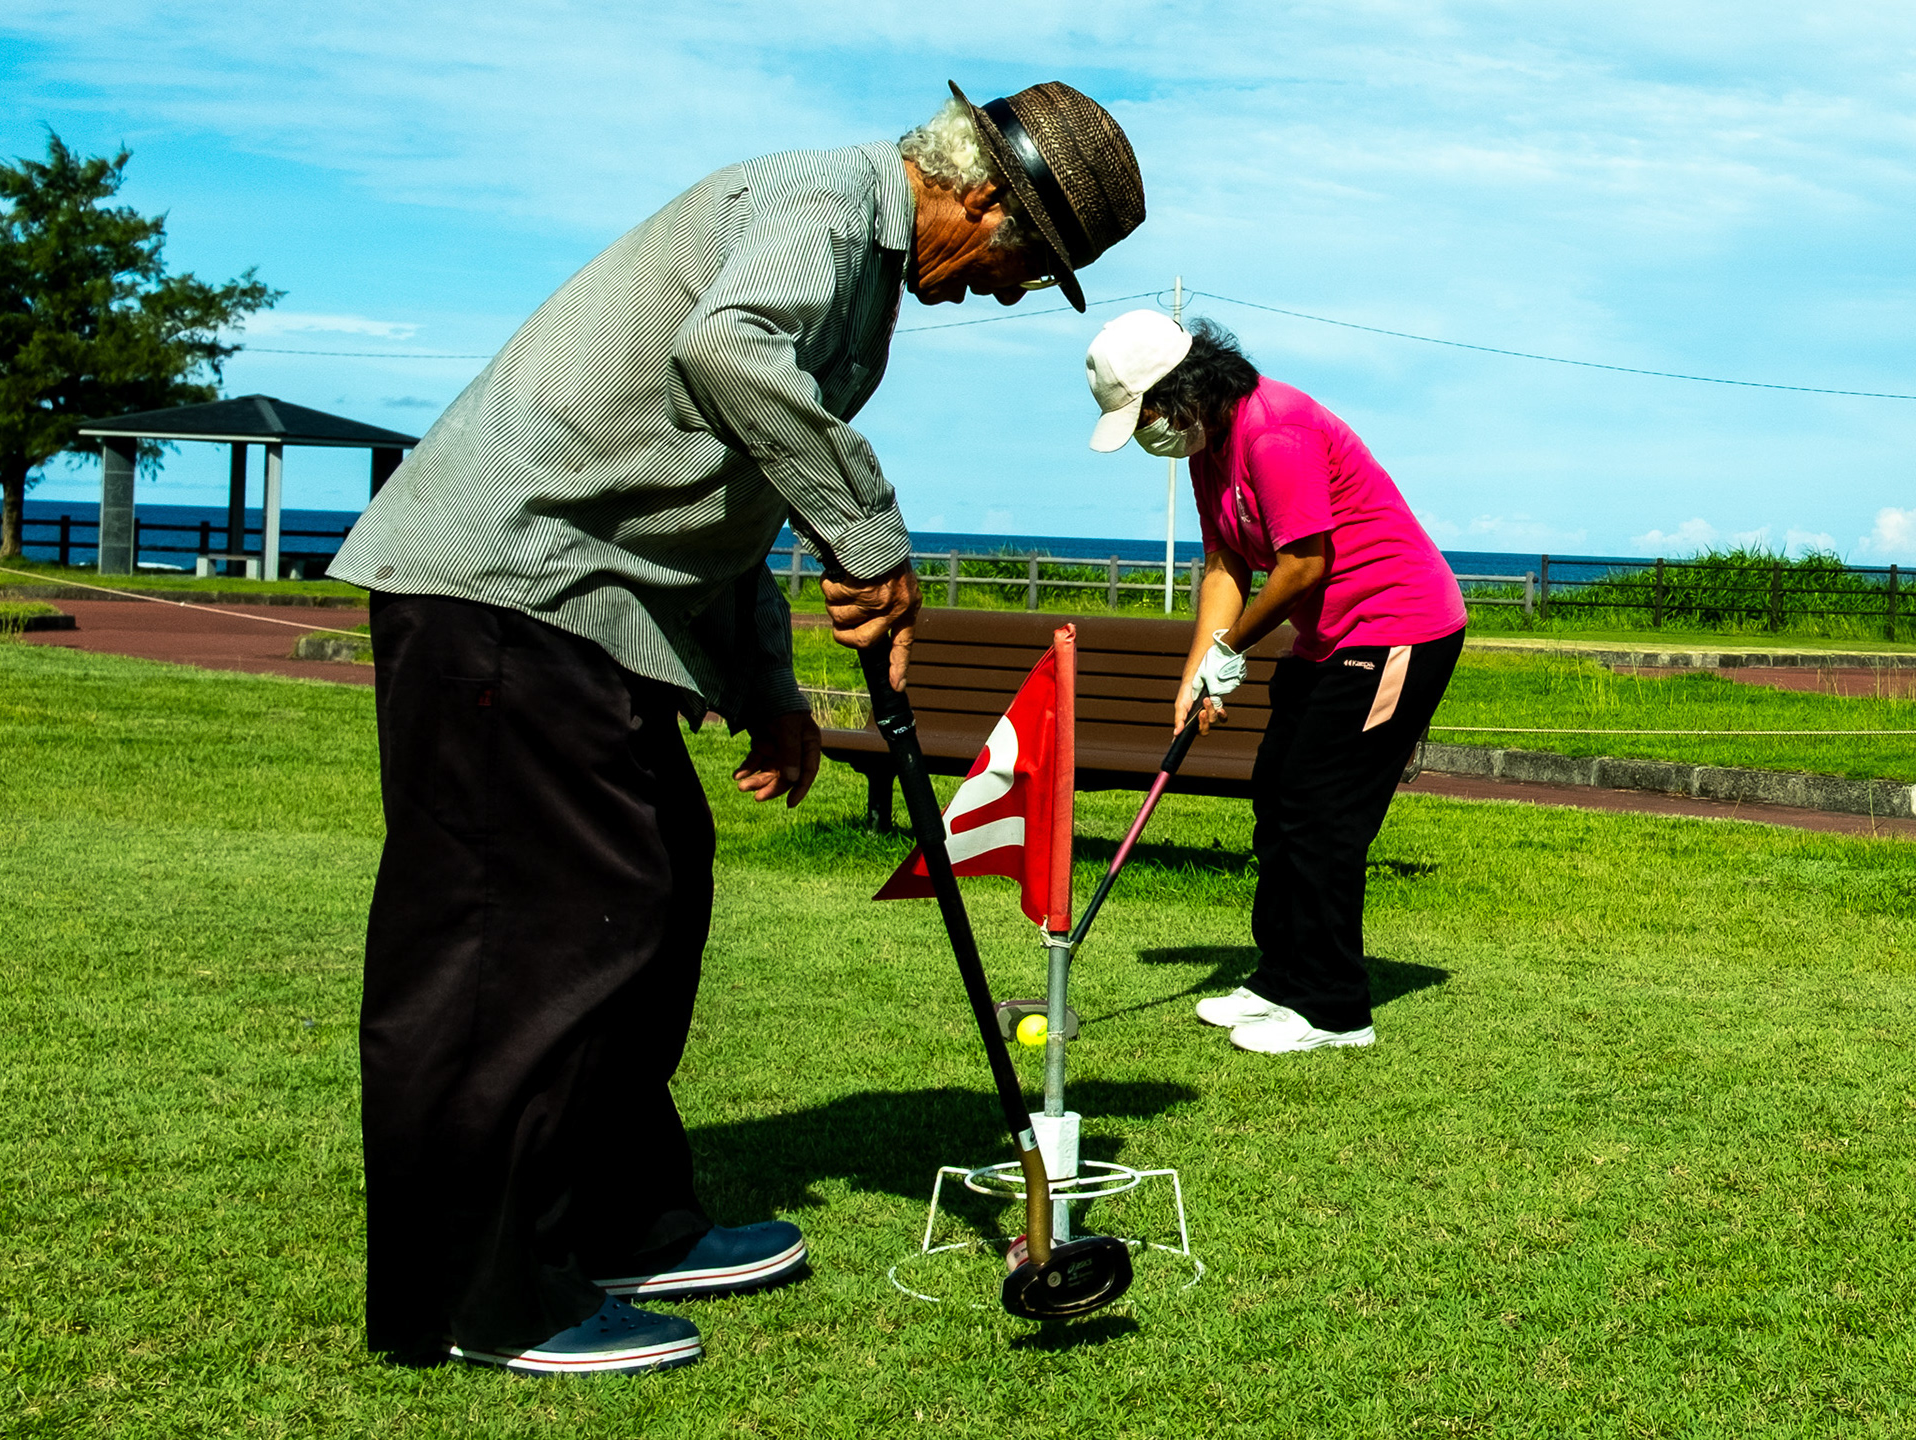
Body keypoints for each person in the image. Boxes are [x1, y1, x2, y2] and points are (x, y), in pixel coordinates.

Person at [329, 82, 1145, 1376]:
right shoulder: (823, 204)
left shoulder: (863, 271)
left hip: (588, 610)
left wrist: (767, 687)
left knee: (645, 903)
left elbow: (742, 476)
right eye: (1025, 264)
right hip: (509, 590)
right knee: (520, 940)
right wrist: (874, 539)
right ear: (983, 195)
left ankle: (618, 1221)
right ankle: (485, 1296)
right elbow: (728, 356)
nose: (1008, 294)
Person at [1084, 311, 1465, 1056]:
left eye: (1146, 413)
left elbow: (1303, 566)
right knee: (1277, 795)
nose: (1145, 432)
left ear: (1184, 387)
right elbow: (1228, 562)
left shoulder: (1274, 430)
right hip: (1331, 635)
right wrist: (1202, 669)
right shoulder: (1208, 446)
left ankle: (1333, 1009)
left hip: (1399, 628)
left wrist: (1234, 649)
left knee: (1322, 814)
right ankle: (1282, 979)